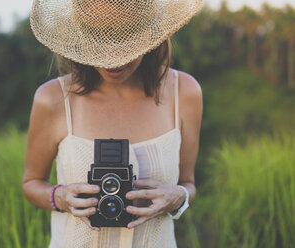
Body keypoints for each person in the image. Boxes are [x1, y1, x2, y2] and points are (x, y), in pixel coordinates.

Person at [23, 0, 203, 247]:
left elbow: (188, 184)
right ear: (80, 34)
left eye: (125, 39)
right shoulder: (52, 99)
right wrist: (60, 197)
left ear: (150, 31)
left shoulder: (185, 92)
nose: (112, 59)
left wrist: (178, 197)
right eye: (98, 38)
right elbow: (31, 183)